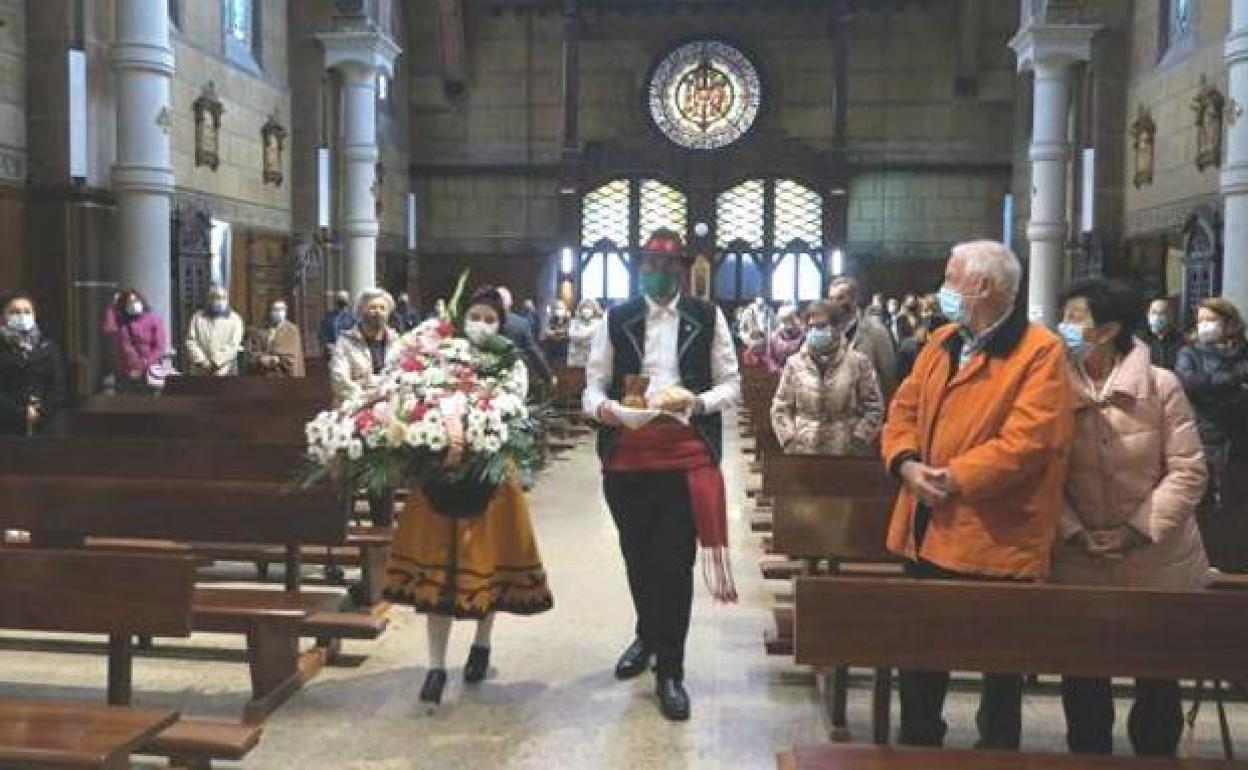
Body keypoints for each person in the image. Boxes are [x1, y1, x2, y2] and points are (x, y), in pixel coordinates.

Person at [880, 240, 1073, 750]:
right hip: (924, 531)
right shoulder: (942, 339)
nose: (942, 288)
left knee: (999, 685)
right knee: (919, 674)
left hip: (994, 541)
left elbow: (1028, 443)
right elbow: (902, 409)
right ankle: (919, 755)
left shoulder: (1040, 352)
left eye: (950, 277)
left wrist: (949, 478)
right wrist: (905, 463)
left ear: (982, 286)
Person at [583, 228, 741, 722]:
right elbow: (590, 391)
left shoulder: (706, 316)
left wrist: (696, 402)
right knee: (637, 555)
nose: (659, 272)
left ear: (683, 270)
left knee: (673, 563)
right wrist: (611, 411)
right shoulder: (617, 318)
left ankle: (670, 668)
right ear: (640, 266)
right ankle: (648, 635)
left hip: (685, 453)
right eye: (650, 263)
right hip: (628, 454)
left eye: (669, 265)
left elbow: (732, 385)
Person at [1052, 278, 1208, 758]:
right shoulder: (1053, 386)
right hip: (1082, 561)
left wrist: (1135, 531)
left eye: (1076, 317)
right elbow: (1041, 473)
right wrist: (1075, 532)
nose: (1065, 327)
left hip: (1158, 560)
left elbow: (1188, 470)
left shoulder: (1160, 386)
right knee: (1084, 689)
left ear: (1109, 328)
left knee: (1157, 687)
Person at [383, 286, 553, 706]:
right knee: (435, 574)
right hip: (439, 475)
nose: (482, 324)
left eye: (490, 318)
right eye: (475, 316)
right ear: (462, 320)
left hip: (490, 476)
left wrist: (480, 415)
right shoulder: (436, 356)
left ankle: (482, 642)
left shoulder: (510, 362)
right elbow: (410, 393)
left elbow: (513, 406)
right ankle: (436, 667)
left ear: (501, 324)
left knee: (489, 564)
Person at [770, 300, 883, 456]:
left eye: (821, 326)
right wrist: (789, 440)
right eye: (810, 327)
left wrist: (860, 439)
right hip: (803, 451)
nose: (815, 331)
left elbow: (873, 407)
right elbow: (780, 408)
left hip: (846, 451)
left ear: (837, 327)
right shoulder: (795, 364)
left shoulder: (858, 362)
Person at [1175, 297, 1248, 508]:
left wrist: (1212, 387)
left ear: (1229, 323)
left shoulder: (1243, 351)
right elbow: (1188, 383)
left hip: (1239, 437)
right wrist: (1235, 379)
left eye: (1211, 319)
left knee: (1236, 503)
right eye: (1201, 320)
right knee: (1202, 503)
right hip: (1204, 435)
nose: (1204, 325)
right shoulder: (1190, 352)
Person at [0, 292, 65, 436]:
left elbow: (57, 387)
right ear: (3, 316)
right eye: (15, 312)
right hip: (6, 426)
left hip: (45, 426)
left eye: (27, 312)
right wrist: (21, 414)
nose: (22, 316)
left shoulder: (48, 347)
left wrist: (40, 413)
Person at [827, 276, 898, 398]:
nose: (834, 304)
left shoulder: (876, 332)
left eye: (840, 298)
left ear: (854, 300)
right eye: (831, 299)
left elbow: (888, 376)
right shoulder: (826, 333)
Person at [330, 289, 401, 407]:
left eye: (382, 308)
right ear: (361, 311)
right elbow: (339, 380)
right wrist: (367, 398)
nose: (378, 312)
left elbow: (401, 376)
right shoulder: (345, 342)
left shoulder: (396, 342)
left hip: (391, 405)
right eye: (373, 307)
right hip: (355, 408)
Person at [102, 288, 168, 394]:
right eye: (129, 302)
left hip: (147, 372)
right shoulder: (121, 321)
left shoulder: (154, 320)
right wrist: (112, 306)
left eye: (135, 300)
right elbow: (109, 329)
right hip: (125, 373)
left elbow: (159, 347)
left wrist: (142, 366)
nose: (133, 304)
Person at [497, 286, 554, 388]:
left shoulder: (484, 323)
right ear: (510, 302)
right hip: (514, 375)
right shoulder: (521, 324)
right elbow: (533, 352)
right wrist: (548, 377)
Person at [185, 287, 244, 377]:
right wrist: (202, 360)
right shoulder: (198, 317)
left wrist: (216, 362)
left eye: (223, 298)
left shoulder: (235, 319)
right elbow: (191, 341)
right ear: (209, 299)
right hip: (200, 369)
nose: (219, 301)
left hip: (225, 370)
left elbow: (233, 345)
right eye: (216, 297)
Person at [245, 299, 305, 378]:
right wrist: (260, 358)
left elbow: (291, 353)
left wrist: (275, 359)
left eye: (282, 309)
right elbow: (253, 348)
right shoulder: (262, 329)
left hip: (284, 375)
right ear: (270, 311)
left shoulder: (292, 329)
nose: (279, 312)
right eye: (275, 309)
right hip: (264, 374)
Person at [1138, 297, 1183, 371]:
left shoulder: (1180, 341)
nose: (1156, 317)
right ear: (1148, 315)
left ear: (1170, 317)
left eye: (1162, 313)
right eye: (1153, 312)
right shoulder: (1141, 340)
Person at [767, 304, 804, 372]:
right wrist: (778, 370)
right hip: (780, 374)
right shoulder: (773, 337)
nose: (788, 323)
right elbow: (770, 358)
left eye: (790, 319)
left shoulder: (803, 335)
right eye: (783, 320)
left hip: (801, 373)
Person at [567, 298, 602, 368]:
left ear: (594, 309)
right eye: (584, 308)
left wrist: (583, 336)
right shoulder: (574, 322)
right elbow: (572, 335)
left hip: (592, 358)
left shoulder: (599, 324)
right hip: (575, 359)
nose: (586, 310)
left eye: (589, 308)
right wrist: (587, 335)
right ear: (580, 309)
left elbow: (597, 340)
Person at [737, 297, 772, 366]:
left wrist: (765, 332)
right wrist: (749, 333)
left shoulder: (769, 311)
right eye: (759, 305)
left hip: (766, 336)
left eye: (762, 305)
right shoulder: (748, 312)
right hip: (750, 336)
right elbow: (741, 328)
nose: (761, 307)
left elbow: (774, 326)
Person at [543, 299, 571, 365]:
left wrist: (555, 332)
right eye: (557, 308)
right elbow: (547, 331)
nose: (559, 310)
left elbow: (567, 331)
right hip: (552, 347)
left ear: (565, 309)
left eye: (561, 308)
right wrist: (558, 333)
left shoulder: (569, 320)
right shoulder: (552, 319)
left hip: (564, 348)